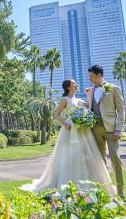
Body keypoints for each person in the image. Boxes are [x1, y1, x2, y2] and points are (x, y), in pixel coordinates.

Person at [19, 78, 116, 196]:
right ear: (69, 87)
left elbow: (88, 106)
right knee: (71, 155)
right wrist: (65, 124)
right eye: (74, 83)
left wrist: (87, 95)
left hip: (83, 130)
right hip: (70, 130)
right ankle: (70, 183)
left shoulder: (79, 100)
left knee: (85, 154)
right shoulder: (65, 100)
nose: (76, 84)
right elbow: (56, 114)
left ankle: (88, 183)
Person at [86, 65, 124, 198]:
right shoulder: (90, 90)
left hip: (112, 129)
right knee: (100, 161)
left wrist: (118, 129)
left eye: (92, 76)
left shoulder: (114, 88)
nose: (90, 78)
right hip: (95, 129)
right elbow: (91, 106)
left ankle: (121, 193)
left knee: (115, 158)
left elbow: (120, 110)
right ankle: (105, 192)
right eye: (89, 76)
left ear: (99, 75)